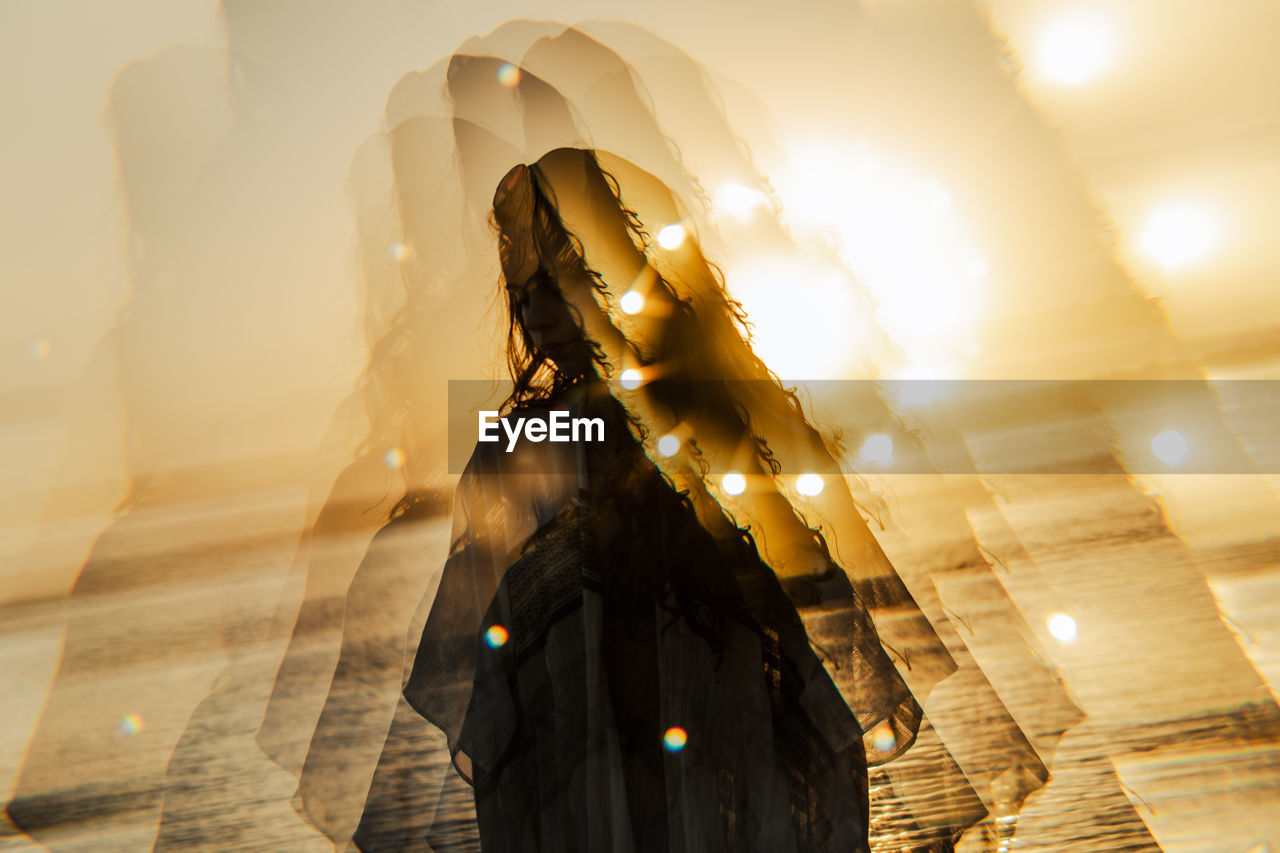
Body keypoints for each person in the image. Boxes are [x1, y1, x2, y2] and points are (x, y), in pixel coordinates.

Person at [397, 148, 951, 852]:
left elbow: (775, 534)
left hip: (704, 678)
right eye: (525, 290)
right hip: (587, 723)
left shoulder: (685, 396)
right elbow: (478, 623)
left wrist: (811, 664)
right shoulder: (524, 440)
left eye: (559, 277)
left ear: (605, 271)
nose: (537, 311)